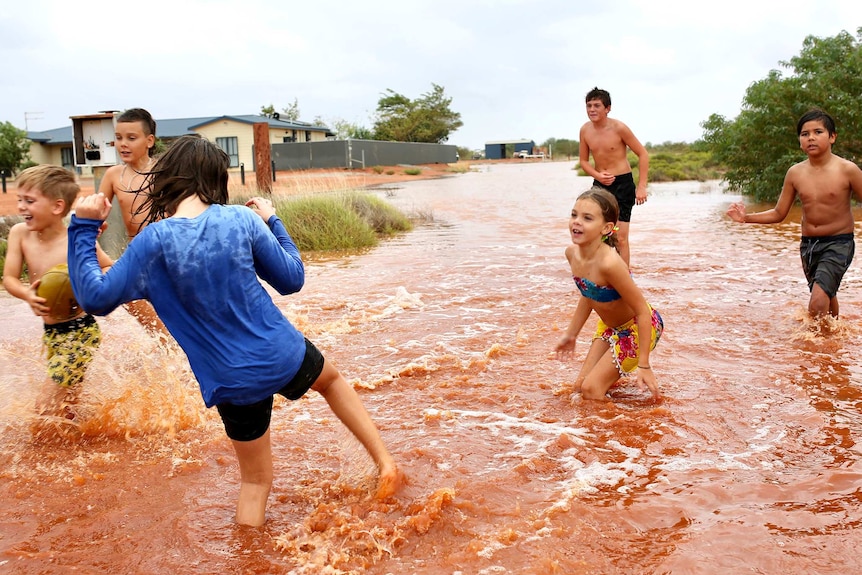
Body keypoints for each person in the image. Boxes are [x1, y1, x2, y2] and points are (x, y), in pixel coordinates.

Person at [68, 135, 400, 527]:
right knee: (331, 382)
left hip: (231, 381)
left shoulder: (151, 242)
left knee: (256, 483)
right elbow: (292, 279)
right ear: (216, 180)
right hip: (282, 354)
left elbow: (94, 298)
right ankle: (385, 463)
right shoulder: (240, 219)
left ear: (167, 178)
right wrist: (272, 220)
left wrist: (82, 229)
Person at [727, 108, 862, 318]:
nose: (811, 138)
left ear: (832, 136)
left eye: (818, 132)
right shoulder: (795, 173)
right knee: (827, 294)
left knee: (817, 302)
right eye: (805, 134)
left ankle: (815, 348)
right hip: (808, 245)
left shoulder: (847, 170)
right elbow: (779, 213)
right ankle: (833, 341)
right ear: (800, 141)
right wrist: (745, 218)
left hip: (839, 243)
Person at [2, 165, 114, 418]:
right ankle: (79, 438)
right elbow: (9, 278)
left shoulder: (75, 240)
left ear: (56, 207)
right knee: (66, 404)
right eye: (20, 199)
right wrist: (26, 295)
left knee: (45, 409)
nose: (21, 207)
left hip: (80, 331)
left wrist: (85, 285)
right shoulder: (20, 234)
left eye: (29, 201)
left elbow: (106, 266)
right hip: (51, 332)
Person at [555, 186, 663, 401]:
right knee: (579, 388)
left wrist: (644, 364)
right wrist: (571, 334)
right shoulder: (572, 254)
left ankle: (630, 430)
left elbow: (642, 311)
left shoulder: (610, 264)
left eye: (587, 218)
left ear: (606, 228)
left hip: (638, 328)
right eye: (574, 215)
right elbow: (588, 295)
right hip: (610, 327)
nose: (577, 221)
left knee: (591, 391)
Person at [97, 107, 168, 338]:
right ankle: (164, 343)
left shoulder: (164, 171)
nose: (123, 144)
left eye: (131, 138)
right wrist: (91, 226)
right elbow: (97, 213)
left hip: (168, 250)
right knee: (121, 289)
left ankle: (179, 344)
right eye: (118, 138)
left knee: (176, 308)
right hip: (137, 253)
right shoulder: (113, 175)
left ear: (149, 141)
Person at [578, 87, 650, 267]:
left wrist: (641, 186)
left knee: (620, 237)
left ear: (607, 108)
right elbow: (584, 161)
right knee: (597, 234)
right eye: (589, 105)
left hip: (623, 184)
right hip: (599, 185)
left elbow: (643, 154)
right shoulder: (585, 130)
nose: (592, 109)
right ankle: (601, 275)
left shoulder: (619, 128)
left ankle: (625, 279)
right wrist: (597, 176)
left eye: (597, 105)